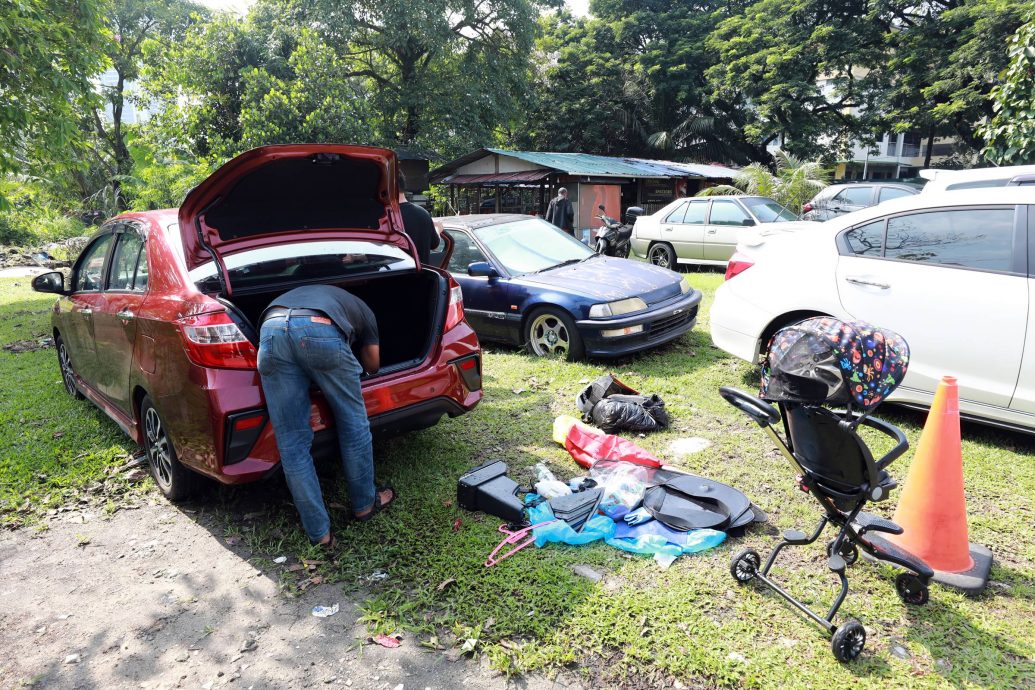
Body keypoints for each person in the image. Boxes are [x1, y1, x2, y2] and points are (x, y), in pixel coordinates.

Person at [257, 285, 395, 548]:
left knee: (292, 444)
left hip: (271, 328)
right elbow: (373, 365)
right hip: (319, 327)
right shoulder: (364, 310)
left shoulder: (312, 295)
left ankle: (319, 534)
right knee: (354, 424)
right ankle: (365, 504)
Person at [397, 171, 440, 264]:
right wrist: (437, 228)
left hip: (390, 277)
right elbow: (435, 244)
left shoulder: (383, 217)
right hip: (421, 277)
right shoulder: (423, 214)